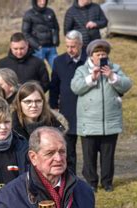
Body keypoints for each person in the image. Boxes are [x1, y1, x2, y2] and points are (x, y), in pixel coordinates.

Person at [71, 39, 132, 192]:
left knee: (107, 155)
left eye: (103, 54)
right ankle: (91, 183)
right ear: (91, 56)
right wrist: (92, 78)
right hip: (89, 122)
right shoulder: (82, 70)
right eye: (97, 54)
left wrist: (112, 77)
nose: (100, 57)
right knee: (89, 155)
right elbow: (75, 87)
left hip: (109, 122)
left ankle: (107, 182)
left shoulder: (115, 68)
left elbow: (127, 84)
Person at [49, 30, 86, 174]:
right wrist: (53, 106)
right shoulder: (58, 61)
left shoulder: (89, 61)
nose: (70, 50)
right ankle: (71, 176)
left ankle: (90, 177)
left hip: (86, 110)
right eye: (68, 46)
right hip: (67, 110)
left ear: (81, 45)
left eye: (74, 46)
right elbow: (54, 85)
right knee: (68, 147)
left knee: (88, 149)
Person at [22, 0, 60, 69]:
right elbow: (25, 33)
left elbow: (56, 27)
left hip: (51, 48)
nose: (42, 2)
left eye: (44, 0)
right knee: (38, 71)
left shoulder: (50, 12)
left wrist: (56, 40)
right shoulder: (29, 14)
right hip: (38, 49)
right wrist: (37, 45)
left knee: (58, 69)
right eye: (40, 0)